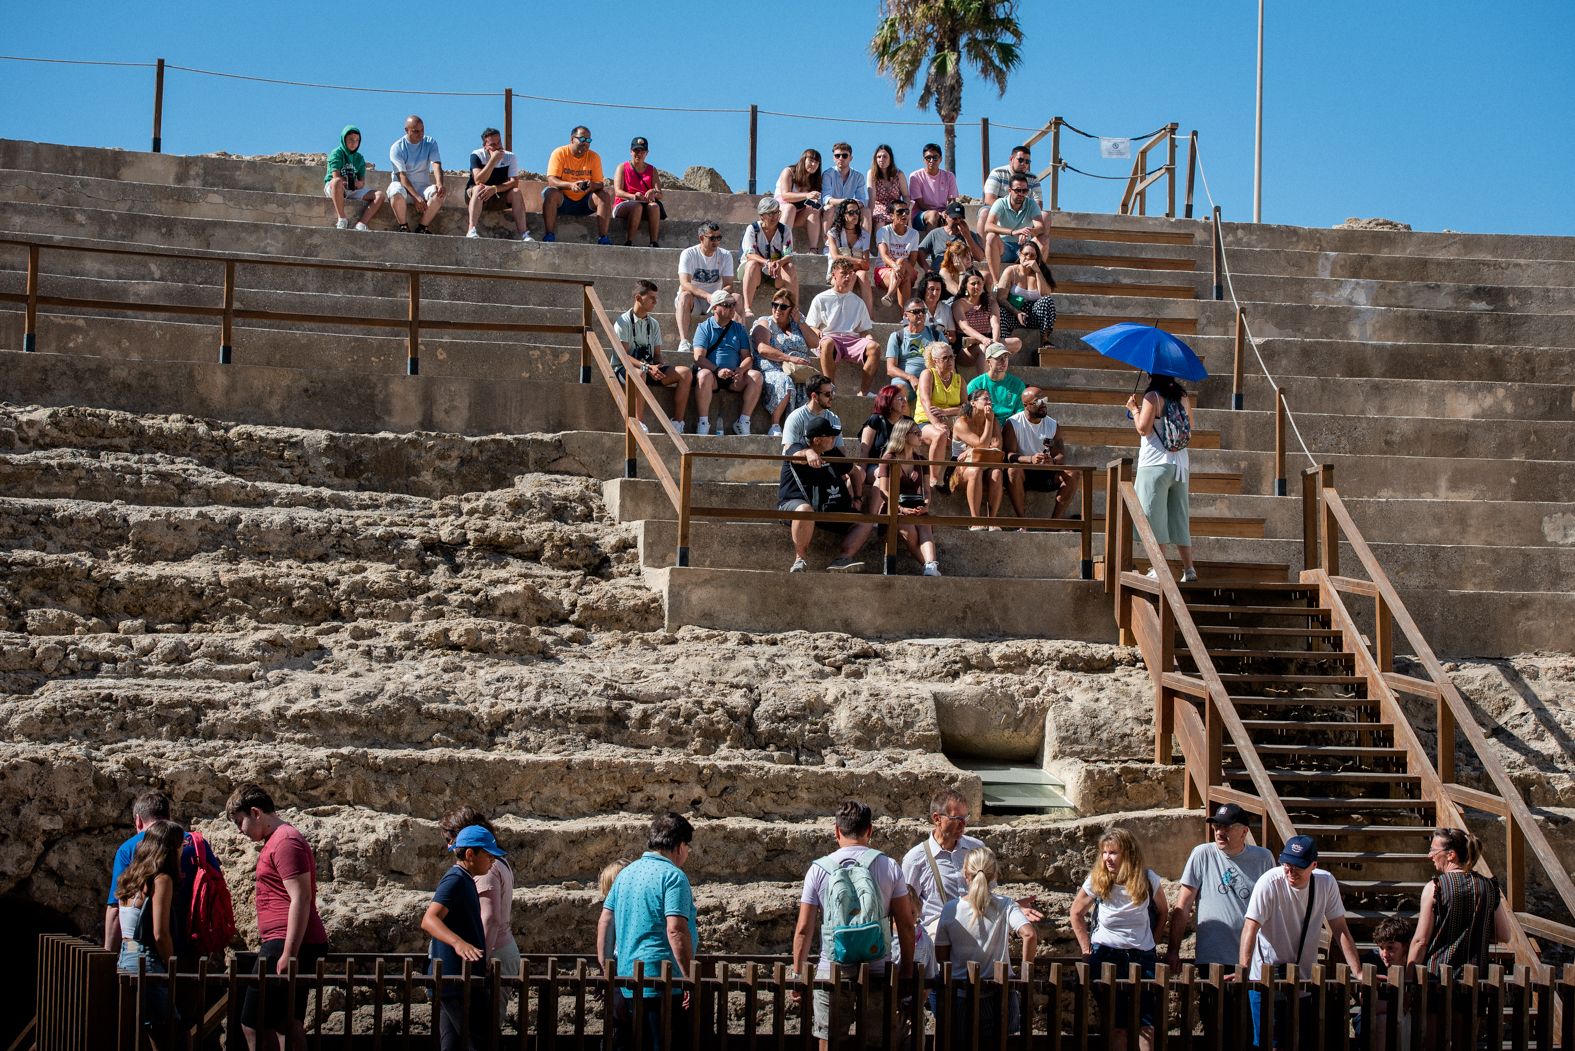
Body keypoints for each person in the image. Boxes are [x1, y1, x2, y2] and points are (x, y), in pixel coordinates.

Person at [790, 800, 916, 1049]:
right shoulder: (890, 866)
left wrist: (798, 975)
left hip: (832, 967)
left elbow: (804, 929)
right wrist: (907, 971)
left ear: (836, 831)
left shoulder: (818, 870)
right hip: (878, 968)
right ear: (870, 831)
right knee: (876, 1041)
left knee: (829, 1040)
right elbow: (906, 925)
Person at [226, 783, 330, 1051]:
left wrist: (289, 952)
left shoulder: (285, 841)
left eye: (240, 822)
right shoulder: (279, 840)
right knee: (286, 1022)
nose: (240, 830)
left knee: (253, 1023)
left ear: (255, 812)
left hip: (285, 942)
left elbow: (301, 898)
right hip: (287, 941)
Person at [1239, 835, 1363, 1051]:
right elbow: (1251, 927)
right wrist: (1243, 969)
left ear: (1314, 865)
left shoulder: (1325, 883)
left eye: (1298, 867)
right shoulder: (1270, 882)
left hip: (1303, 976)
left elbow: (1340, 929)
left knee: (1300, 1040)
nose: (1290, 871)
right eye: (1287, 864)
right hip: (1265, 976)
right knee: (1268, 1042)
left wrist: (1358, 972)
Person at [597, 812, 698, 1051]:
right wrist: (688, 978)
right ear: (680, 846)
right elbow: (676, 930)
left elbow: (605, 922)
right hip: (662, 983)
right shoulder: (674, 877)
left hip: (626, 981)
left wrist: (608, 971)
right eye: (688, 847)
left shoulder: (626, 875)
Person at [1407, 828, 1511, 1047]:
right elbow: (1504, 934)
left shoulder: (1436, 887)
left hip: (1437, 979)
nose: (1429, 855)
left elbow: (1420, 941)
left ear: (1451, 854)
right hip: (1475, 981)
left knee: (1433, 1043)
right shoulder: (1489, 887)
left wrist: (1408, 977)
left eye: (1433, 850)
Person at [1070, 827, 1169, 1051]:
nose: (1107, 858)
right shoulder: (1097, 880)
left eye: (1113, 853)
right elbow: (1076, 912)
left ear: (1128, 853)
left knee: (1146, 1024)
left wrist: (1152, 940)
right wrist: (1087, 949)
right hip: (1107, 953)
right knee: (1117, 1024)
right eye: (1104, 853)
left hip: (1141, 955)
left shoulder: (1148, 879)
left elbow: (1163, 911)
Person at [934, 847, 1038, 1046]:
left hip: (960, 995)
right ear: (995, 874)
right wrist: (1025, 969)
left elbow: (941, 956)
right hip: (998, 996)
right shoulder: (1006, 905)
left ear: (965, 874)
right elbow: (1029, 934)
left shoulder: (951, 909)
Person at [1165, 803, 1277, 973]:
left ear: (1244, 831)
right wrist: (1173, 951)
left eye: (1226, 827)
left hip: (1253, 958)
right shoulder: (1202, 854)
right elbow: (1183, 906)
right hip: (1213, 957)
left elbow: (1273, 907)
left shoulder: (1263, 858)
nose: (1219, 832)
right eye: (1216, 826)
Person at [422, 825, 505, 1050]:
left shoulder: (465, 879)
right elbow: (429, 919)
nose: (492, 861)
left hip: (455, 982)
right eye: (488, 855)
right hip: (456, 983)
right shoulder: (455, 879)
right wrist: (458, 943)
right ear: (470, 854)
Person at [438, 808, 521, 1022]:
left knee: (484, 1028)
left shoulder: (487, 867)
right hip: (499, 948)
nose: (449, 846)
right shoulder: (493, 862)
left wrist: (481, 960)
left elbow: (489, 919)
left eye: (451, 839)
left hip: (493, 952)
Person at [115, 820, 185, 1034]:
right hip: (147, 961)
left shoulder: (129, 878)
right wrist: (171, 962)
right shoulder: (161, 879)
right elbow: (159, 933)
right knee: (173, 1033)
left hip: (126, 957)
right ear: (172, 848)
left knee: (140, 1032)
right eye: (181, 845)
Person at [1125, 374, 1197, 582]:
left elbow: (1143, 428)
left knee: (1153, 516)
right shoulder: (1182, 396)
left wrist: (1134, 409)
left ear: (1150, 375)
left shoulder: (1152, 396)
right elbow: (1190, 425)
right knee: (1179, 516)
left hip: (1155, 463)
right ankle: (1189, 569)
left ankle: (1159, 567)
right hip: (1181, 465)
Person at [780, 416, 872, 574]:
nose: (834, 438)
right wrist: (808, 453)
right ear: (816, 440)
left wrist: (857, 498)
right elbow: (796, 456)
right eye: (829, 436)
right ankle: (799, 560)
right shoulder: (796, 446)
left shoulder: (832, 452)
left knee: (865, 521)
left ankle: (842, 560)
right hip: (793, 506)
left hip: (826, 509)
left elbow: (855, 472)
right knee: (805, 510)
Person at [613, 279, 692, 434]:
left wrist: (659, 366)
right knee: (640, 373)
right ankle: (639, 422)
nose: (655, 302)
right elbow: (623, 356)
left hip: (649, 368)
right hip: (626, 369)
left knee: (685, 373)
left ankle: (677, 422)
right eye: (651, 298)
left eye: (656, 298)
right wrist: (647, 367)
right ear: (638, 298)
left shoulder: (653, 323)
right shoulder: (622, 322)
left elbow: (657, 355)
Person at [1002, 386, 1081, 521]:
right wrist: (1030, 459)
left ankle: (1054, 523)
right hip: (1024, 472)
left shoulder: (1052, 424)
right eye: (1038, 401)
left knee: (1073, 473)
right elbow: (1008, 455)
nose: (1043, 404)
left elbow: (1061, 454)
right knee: (1012, 471)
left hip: (1046, 471)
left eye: (1044, 399)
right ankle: (1022, 523)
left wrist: (1053, 461)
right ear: (1026, 405)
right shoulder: (1013, 423)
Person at [876, 418, 942, 576]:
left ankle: (931, 566)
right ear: (904, 435)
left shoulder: (921, 461)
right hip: (893, 507)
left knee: (925, 525)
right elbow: (883, 491)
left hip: (915, 505)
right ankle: (927, 566)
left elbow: (926, 490)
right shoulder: (889, 458)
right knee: (910, 531)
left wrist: (926, 505)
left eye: (920, 433)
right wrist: (900, 508)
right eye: (916, 433)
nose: (920, 436)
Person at [691, 289, 763, 436]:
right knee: (703, 375)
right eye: (727, 305)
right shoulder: (704, 328)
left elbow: (748, 357)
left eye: (733, 304)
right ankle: (703, 422)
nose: (732, 308)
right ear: (715, 308)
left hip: (735, 376)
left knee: (756, 376)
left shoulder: (739, 328)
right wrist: (717, 370)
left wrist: (741, 370)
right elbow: (698, 358)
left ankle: (743, 421)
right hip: (713, 375)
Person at [751, 291, 821, 438]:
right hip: (773, 368)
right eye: (775, 305)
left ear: (791, 309)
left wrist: (800, 321)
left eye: (783, 306)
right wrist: (788, 358)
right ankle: (775, 425)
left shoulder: (797, 324)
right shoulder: (765, 322)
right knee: (785, 381)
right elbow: (762, 348)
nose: (778, 309)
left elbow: (815, 342)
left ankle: (806, 428)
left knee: (815, 386)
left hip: (798, 370)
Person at [806, 259, 879, 397]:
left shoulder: (858, 302)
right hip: (830, 338)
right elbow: (811, 326)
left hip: (852, 340)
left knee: (874, 347)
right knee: (827, 343)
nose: (847, 277)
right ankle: (830, 389)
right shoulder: (821, 298)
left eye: (850, 274)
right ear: (834, 274)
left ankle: (864, 392)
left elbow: (863, 330)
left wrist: (869, 338)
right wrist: (817, 332)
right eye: (843, 273)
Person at [541, 125, 613, 244]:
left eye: (588, 140)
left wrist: (591, 186)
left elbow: (600, 184)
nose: (585, 143)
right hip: (563, 201)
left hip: (585, 202)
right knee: (550, 192)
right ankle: (549, 235)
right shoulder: (560, 153)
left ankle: (603, 238)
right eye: (582, 139)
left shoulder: (594, 157)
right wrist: (571, 185)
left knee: (604, 196)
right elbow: (552, 180)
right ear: (572, 139)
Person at [675, 220, 738, 351]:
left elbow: (729, 285)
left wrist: (717, 296)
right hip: (695, 300)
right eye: (712, 238)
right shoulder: (689, 254)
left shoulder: (725, 255)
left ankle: (737, 342)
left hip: (716, 301)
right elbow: (685, 283)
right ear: (701, 238)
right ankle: (684, 341)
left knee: (736, 298)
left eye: (718, 238)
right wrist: (707, 296)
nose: (716, 241)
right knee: (684, 296)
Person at [913, 342, 964, 491]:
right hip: (925, 421)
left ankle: (959, 477)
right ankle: (934, 478)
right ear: (935, 361)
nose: (950, 361)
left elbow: (966, 407)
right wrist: (936, 422)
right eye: (945, 358)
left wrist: (946, 412)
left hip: (951, 421)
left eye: (952, 357)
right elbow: (925, 400)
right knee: (940, 434)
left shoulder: (959, 379)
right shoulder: (927, 374)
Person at [465, 127, 531, 241]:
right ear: (485, 146)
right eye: (493, 144)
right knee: (479, 187)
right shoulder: (477, 155)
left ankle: (524, 234)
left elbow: (514, 183)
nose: (498, 146)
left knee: (516, 192)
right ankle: (471, 230)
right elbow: (478, 180)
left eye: (499, 142)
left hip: (498, 194)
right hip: (477, 195)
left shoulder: (510, 157)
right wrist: (492, 161)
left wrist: (494, 189)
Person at [953, 386, 1006, 526]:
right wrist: (989, 422)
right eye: (985, 399)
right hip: (959, 469)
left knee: (997, 473)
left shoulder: (993, 420)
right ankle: (975, 520)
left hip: (985, 464)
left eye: (990, 399)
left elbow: (997, 447)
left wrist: (971, 450)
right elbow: (983, 446)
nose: (989, 402)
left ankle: (992, 520)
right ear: (973, 403)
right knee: (975, 470)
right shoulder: (962, 423)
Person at [738, 197, 798, 320]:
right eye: (771, 213)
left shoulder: (784, 230)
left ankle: (794, 308)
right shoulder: (753, 229)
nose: (775, 216)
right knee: (752, 264)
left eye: (777, 212)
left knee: (790, 267)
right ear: (762, 216)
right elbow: (749, 254)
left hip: (775, 272)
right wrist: (767, 262)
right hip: (755, 272)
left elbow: (788, 253)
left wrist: (779, 262)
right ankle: (747, 307)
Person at [983, 174, 1050, 284]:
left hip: (1024, 248)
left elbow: (1040, 227)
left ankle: (1033, 281)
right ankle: (996, 283)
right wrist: (1013, 232)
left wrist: (1028, 231)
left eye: (1025, 191)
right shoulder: (1000, 203)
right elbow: (988, 226)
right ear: (1009, 190)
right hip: (1005, 248)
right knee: (991, 237)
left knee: (1044, 239)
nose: (1021, 194)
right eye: (1018, 190)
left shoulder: (1031, 204)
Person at [995, 239, 1057, 350]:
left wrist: (1038, 271)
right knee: (1002, 311)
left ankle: (1044, 339)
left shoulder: (1040, 273)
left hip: (1034, 315)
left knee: (1047, 300)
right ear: (1020, 254)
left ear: (1037, 258)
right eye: (1026, 254)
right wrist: (1016, 312)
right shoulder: (1011, 271)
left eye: (1033, 255)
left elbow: (1045, 294)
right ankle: (1003, 343)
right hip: (1014, 313)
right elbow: (1000, 298)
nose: (1028, 257)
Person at [388, 115, 445, 234]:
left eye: (422, 130)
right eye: (416, 131)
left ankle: (422, 227)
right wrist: (415, 197)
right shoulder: (397, 148)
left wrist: (440, 184)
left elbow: (436, 164)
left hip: (422, 188)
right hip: (403, 188)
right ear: (406, 130)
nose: (420, 134)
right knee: (395, 191)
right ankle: (404, 227)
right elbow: (402, 176)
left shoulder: (430, 142)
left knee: (438, 193)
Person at [324, 125, 384, 231]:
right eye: (351, 139)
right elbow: (336, 176)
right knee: (337, 181)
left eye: (357, 140)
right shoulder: (336, 153)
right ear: (344, 139)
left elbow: (362, 181)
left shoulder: (359, 158)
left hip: (352, 189)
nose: (354, 143)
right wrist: (347, 181)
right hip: (335, 187)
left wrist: (358, 184)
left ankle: (361, 224)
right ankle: (342, 218)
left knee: (380, 195)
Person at [955, 271, 1021, 368]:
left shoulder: (991, 303)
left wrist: (994, 343)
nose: (977, 286)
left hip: (989, 341)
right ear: (965, 286)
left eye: (979, 283)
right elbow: (965, 327)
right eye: (973, 284)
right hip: (965, 347)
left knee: (1017, 343)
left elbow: (995, 324)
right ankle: (985, 383)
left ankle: (995, 365)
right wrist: (983, 339)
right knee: (984, 349)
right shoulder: (959, 304)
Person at [825, 200, 875, 315]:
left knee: (862, 274)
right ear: (843, 215)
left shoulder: (864, 235)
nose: (855, 215)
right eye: (851, 212)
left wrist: (848, 260)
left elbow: (866, 265)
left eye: (857, 212)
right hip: (836, 273)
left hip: (857, 272)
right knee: (848, 274)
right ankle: (842, 315)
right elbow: (836, 257)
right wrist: (857, 260)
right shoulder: (833, 233)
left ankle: (868, 316)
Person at [612, 136, 664, 247]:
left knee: (654, 206)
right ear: (631, 151)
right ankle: (629, 241)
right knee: (637, 207)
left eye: (642, 151)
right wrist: (634, 197)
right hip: (624, 203)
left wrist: (652, 192)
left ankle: (653, 242)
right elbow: (618, 192)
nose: (639, 153)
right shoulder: (622, 167)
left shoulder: (652, 170)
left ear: (647, 153)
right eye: (636, 150)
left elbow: (660, 194)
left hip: (645, 203)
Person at [885, 299, 946, 392]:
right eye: (916, 311)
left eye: (923, 311)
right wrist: (910, 377)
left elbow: (947, 359)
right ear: (906, 315)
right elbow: (890, 369)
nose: (921, 314)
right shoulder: (897, 337)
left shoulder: (936, 335)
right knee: (898, 390)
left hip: (932, 379)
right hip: (905, 380)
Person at [781, 374, 847, 454]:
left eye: (832, 393)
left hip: (823, 465)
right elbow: (789, 449)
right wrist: (808, 453)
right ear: (814, 396)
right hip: (799, 465)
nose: (831, 397)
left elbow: (840, 451)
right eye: (827, 394)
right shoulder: (795, 418)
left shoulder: (834, 418)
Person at [874, 202, 922, 308]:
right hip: (884, 271)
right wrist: (896, 267)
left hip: (906, 268)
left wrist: (899, 265)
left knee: (902, 261)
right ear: (891, 215)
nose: (904, 215)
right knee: (905, 277)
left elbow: (912, 262)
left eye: (906, 212)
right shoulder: (883, 231)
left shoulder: (914, 234)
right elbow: (884, 256)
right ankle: (905, 317)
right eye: (900, 212)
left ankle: (890, 294)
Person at [775, 149, 825, 251]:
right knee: (790, 207)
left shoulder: (814, 180)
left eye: (816, 162)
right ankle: (783, 246)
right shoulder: (789, 172)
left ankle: (813, 249)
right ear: (803, 160)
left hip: (798, 216)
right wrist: (807, 195)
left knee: (814, 210)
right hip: (780, 213)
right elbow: (785, 196)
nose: (813, 164)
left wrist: (814, 202)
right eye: (811, 160)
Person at [979, 144, 1042, 223]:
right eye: (1020, 160)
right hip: (1000, 211)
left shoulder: (1033, 178)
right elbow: (989, 199)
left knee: (1045, 215)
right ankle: (981, 236)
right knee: (985, 213)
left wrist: (1020, 213)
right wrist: (1010, 212)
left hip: (1023, 213)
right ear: (1011, 159)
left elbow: (1038, 204)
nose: (1024, 164)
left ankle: (1034, 235)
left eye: (1027, 161)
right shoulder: (998, 173)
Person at [918, 201, 985, 275]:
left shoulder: (969, 234)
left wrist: (967, 236)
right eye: (954, 218)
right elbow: (920, 252)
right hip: (942, 274)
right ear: (946, 216)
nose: (958, 221)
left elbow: (980, 258)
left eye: (960, 218)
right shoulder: (935, 234)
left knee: (986, 275)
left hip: (964, 273)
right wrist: (927, 269)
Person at [908, 143, 961, 231]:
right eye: (928, 158)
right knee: (933, 215)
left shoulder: (949, 176)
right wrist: (939, 213)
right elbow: (920, 204)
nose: (931, 160)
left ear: (940, 159)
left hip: (944, 213)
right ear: (923, 160)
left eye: (935, 157)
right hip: (921, 215)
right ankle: (931, 244)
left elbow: (952, 201)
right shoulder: (915, 176)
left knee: (957, 217)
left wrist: (947, 212)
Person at [966, 343, 1026, 422]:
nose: (1003, 361)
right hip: (984, 424)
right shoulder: (975, 385)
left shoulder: (1018, 384)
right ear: (988, 361)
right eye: (998, 357)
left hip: (1010, 426)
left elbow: (1020, 413)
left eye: (1006, 356)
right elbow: (969, 413)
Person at [858, 384, 909, 467]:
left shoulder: (908, 422)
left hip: (901, 467)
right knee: (886, 472)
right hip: (876, 466)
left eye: (905, 398)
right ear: (889, 400)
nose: (905, 401)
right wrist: (861, 475)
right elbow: (864, 450)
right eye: (900, 398)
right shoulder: (876, 420)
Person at [820, 142, 868, 220]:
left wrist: (851, 205)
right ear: (833, 158)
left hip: (850, 210)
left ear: (851, 158)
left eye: (844, 156)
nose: (841, 158)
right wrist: (847, 201)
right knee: (829, 208)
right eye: (837, 156)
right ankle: (825, 233)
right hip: (833, 209)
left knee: (866, 211)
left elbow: (862, 200)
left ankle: (865, 233)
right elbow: (826, 199)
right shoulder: (827, 174)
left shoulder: (858, 176)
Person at [865, 143, 908, 229]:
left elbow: (906, 195)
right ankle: (880, 242)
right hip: (879, 206)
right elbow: (872, 198)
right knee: (880, 219)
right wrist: (869, 217)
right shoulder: (872, 174)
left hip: (896, 207)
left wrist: (905, 210)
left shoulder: (899, 174)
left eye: (885, 156)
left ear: (890, 159)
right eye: (879, 157)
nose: (881, 159)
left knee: (899, 219)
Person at [917, 274, 958, 347]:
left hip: (941, 349)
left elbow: (953, 337)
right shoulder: (915, 307)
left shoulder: (946, 309)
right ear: (924, 289)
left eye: (938, 289)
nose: (935, 293)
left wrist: (946, 338)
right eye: (931, 289)